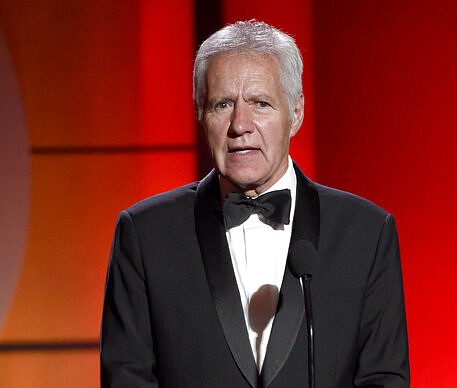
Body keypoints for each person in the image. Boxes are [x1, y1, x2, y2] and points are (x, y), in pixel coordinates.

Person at [100, 20, 410, 387]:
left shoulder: (366, 233)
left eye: (260, 103)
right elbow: (126, 378)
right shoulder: (146, 235)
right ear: (201, 114)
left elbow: (383, 378)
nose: (240, 125)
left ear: (295, 113)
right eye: (222, 104)